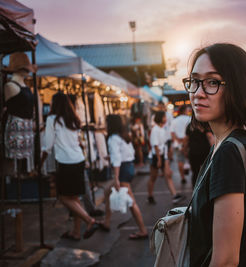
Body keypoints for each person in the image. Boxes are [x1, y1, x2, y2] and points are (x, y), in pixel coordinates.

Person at [183, 43, 246, 266]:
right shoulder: (230, 143)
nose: (198, 93)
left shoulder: (229, 152)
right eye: (194, 81)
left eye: (212, 82)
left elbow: (226, 260)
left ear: (238, 87)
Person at [41, 92, 98, 240]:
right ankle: (76, 232)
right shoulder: (74, 119)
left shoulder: (52, 120)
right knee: (74, 197)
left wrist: (40, 162)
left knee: (63, 197)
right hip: (78, 161)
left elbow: (48, 146)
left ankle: (89, 220)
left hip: (66, 163)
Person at [102, 114, 148, 240]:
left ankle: (143, 230)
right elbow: (128, 154)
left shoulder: (113, 138)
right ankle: (106, 222)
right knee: (107, 191)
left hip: (122, 170)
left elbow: (117, 159)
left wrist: (116, 178)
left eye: (106, 122)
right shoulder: (124, 136)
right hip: (129, 167)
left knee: (131, 202)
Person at [3, 52, 36, 174]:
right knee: (14, 162)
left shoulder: (23, 85)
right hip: (17, 127)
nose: (28, 72)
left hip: (26, 127)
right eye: (25, 68)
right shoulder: (10, 86)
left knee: (23, 161)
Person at [147, 111, 185, 204]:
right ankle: (150, 196)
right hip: (156, 156)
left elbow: (164, 145)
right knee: (153, 177)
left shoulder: (162, 129)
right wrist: (160, 159)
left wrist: (166, 158)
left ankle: (174, 195)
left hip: (162, 156)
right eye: (164, 117)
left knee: (168, 175)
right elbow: (155, 145)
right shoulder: (155, 129)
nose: (166, 118)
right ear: (160, 118)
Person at [184, 122, 213, 189]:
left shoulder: (190, 125)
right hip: (205, 151)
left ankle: (195, 188)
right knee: (206, 171)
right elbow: (210, 137)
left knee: (195, 172)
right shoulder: (205, 124)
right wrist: (214, 149)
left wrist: (185, 150)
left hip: (193, 152)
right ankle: (206, 188)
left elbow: (186, 139)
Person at [171, 105, 191, 184]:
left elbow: (172, 133)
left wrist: (178, 141)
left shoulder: (175, 120)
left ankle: (182, 177)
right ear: (185, 111)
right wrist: (185, 141)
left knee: (180, 161)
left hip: (178, 144)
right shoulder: (189, 119)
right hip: (189, 143)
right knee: (191, 160)